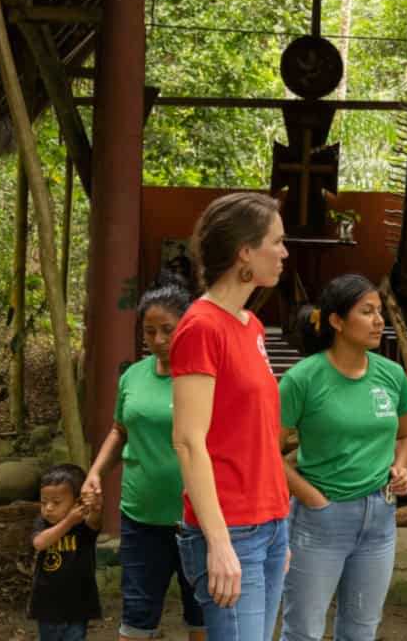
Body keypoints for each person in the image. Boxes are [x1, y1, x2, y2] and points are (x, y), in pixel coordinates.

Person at [170, 192, 291, 641]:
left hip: (271, 524)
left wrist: (281, 525)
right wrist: (219, 544)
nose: (284, 252)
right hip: (231, 530)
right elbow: (187, 441)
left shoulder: (250, 325)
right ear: (245, 251)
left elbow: (256, 433)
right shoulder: (200, 327)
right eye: (276, 242)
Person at [278, 274, 407, 641]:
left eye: (379, 312)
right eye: (366, 312)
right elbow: (266, 451)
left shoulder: (392, 375)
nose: (378, 321)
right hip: (320, 519)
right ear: (337, 322)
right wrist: (311, 498)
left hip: (380, 518)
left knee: (361, 630)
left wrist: (401, 467)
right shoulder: (302, 379)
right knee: (304, 631)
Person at [82, 273, 205, 641]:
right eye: (150, 331)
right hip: (141, 517)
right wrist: (95, 473)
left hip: (199, 518)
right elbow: (120, 430)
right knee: (137, 615)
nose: (159, 340)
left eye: (167, 329)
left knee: (202, 615)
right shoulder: (133, 376)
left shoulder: (207, 376)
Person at [29, 463, 103, 641]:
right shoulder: (42, 523)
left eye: (56, 503)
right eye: (44, 502)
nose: (48, 508)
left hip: (78, 606)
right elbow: (39, 543)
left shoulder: (84, 526)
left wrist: (94, 505)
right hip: (47, 606)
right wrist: (68, 521)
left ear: (77, 502)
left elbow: (95, 520)